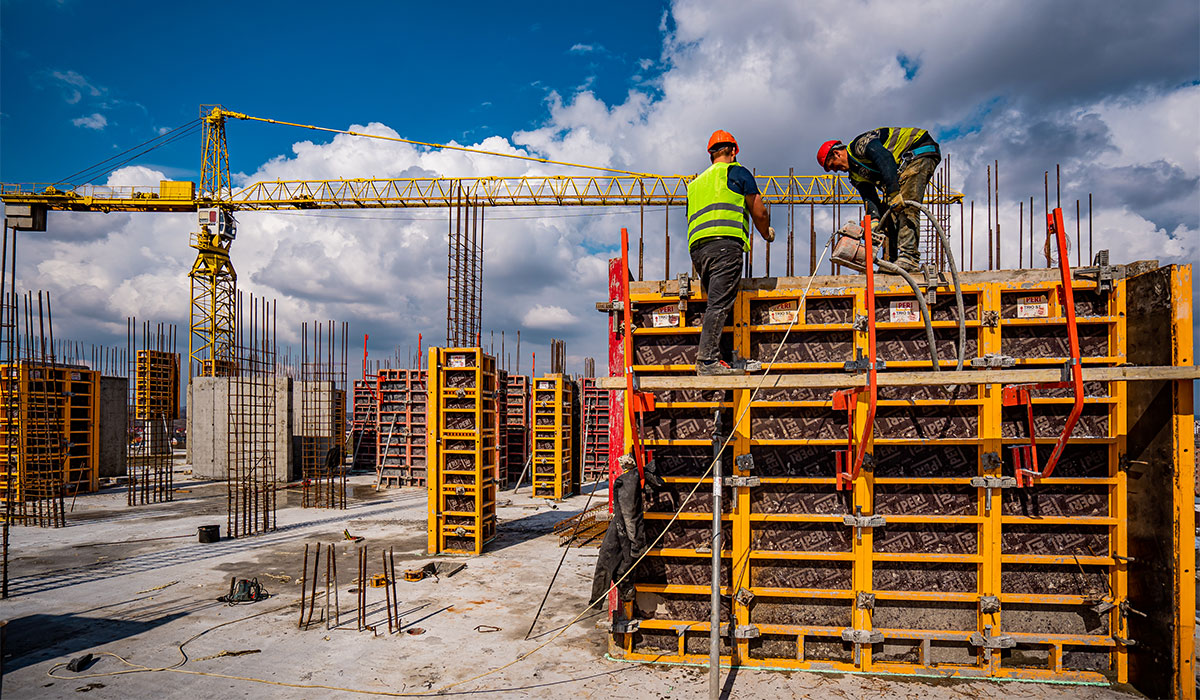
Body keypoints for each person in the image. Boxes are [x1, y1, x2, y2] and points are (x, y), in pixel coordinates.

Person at [687, 129, 775, 376]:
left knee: (718, 303)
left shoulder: (695, 184)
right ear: (734, 151)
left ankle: (721, 357)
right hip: (725, 246)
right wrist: (766, 233)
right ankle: (707, 362)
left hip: (699, 250)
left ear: (710, 155)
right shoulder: (737, 172)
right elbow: (759, 212)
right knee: (719, 304)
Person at [817, 128, 941, 272]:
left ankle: (909, 258)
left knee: (906, 206)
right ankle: (893, 262)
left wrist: (894, 192)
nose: (835, 170)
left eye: (832, 165)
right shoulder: (855, 175)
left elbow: (885, 158)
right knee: (891, 214)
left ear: (837, 153)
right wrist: (875, 221)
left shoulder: (859, 145)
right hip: (903, 166)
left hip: (918, 150)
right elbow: (869, 197)